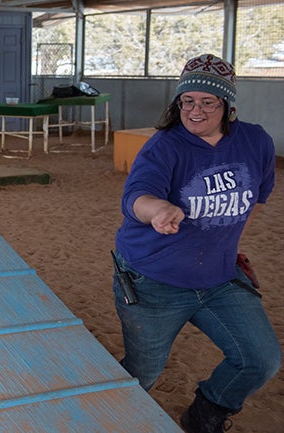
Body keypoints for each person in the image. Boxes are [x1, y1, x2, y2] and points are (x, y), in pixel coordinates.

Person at [112, 54, 281, 433]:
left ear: (228, 106)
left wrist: (226, 245)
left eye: (208, 102)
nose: (195, 111)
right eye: (187, 101)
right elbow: (136, 195)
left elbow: (256, 198)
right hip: (152, 281)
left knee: (260, 358)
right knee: (143, 372)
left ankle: (206, 413)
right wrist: (156, 210)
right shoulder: (165, 146)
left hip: (219, 278)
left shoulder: (255, 142)